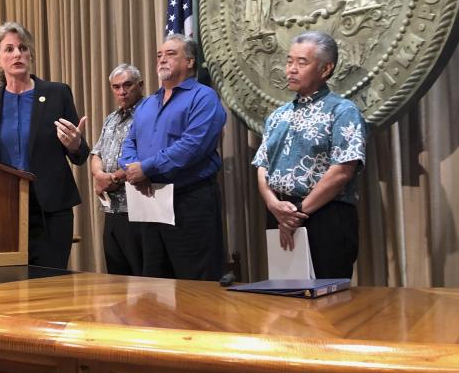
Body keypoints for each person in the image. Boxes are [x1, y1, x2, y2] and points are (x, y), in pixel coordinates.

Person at [0, 22, 89, 270]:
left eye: (22, 48)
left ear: (30, 55)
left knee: (49, 290)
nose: (17, 54)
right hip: (5, 209)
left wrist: (75, 144)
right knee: (10, 288)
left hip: (51, 210)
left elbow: (80, 155)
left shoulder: (57, 93)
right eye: (9, 49)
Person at [252, 31, 367, 279]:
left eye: (302, 62)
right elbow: (262, 166)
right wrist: (274, 205)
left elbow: (342, 171)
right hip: (279, 214)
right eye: (289, 61)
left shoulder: (343, 111)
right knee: (287, 299)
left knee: (329, 303)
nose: (291, 69)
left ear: (325, 69)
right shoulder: (277, 115)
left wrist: (297, 213)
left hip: (325, 217)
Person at [119, 33, 226, 280]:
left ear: (189, 62)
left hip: (189, 201)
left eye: (170, 54)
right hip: (149, 200)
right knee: (155, 282)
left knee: (195, 282)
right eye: (159, 55)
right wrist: (134, 169)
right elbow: (129, 143)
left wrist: (147, 168)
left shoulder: (203, 97)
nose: (162, 60)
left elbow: (193, 146)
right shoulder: (147, 104)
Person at [90, 64, 145, 276]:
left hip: (136, 208)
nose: (122, 92)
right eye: (116, 87)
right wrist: (99, 175)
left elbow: (145, 156)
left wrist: (113, 178)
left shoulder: (148, 113)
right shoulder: (111, 118)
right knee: (116, 278)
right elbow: (97, 153)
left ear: (140, 85)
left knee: (141, 278)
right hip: (111, 209)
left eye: (127, 85)